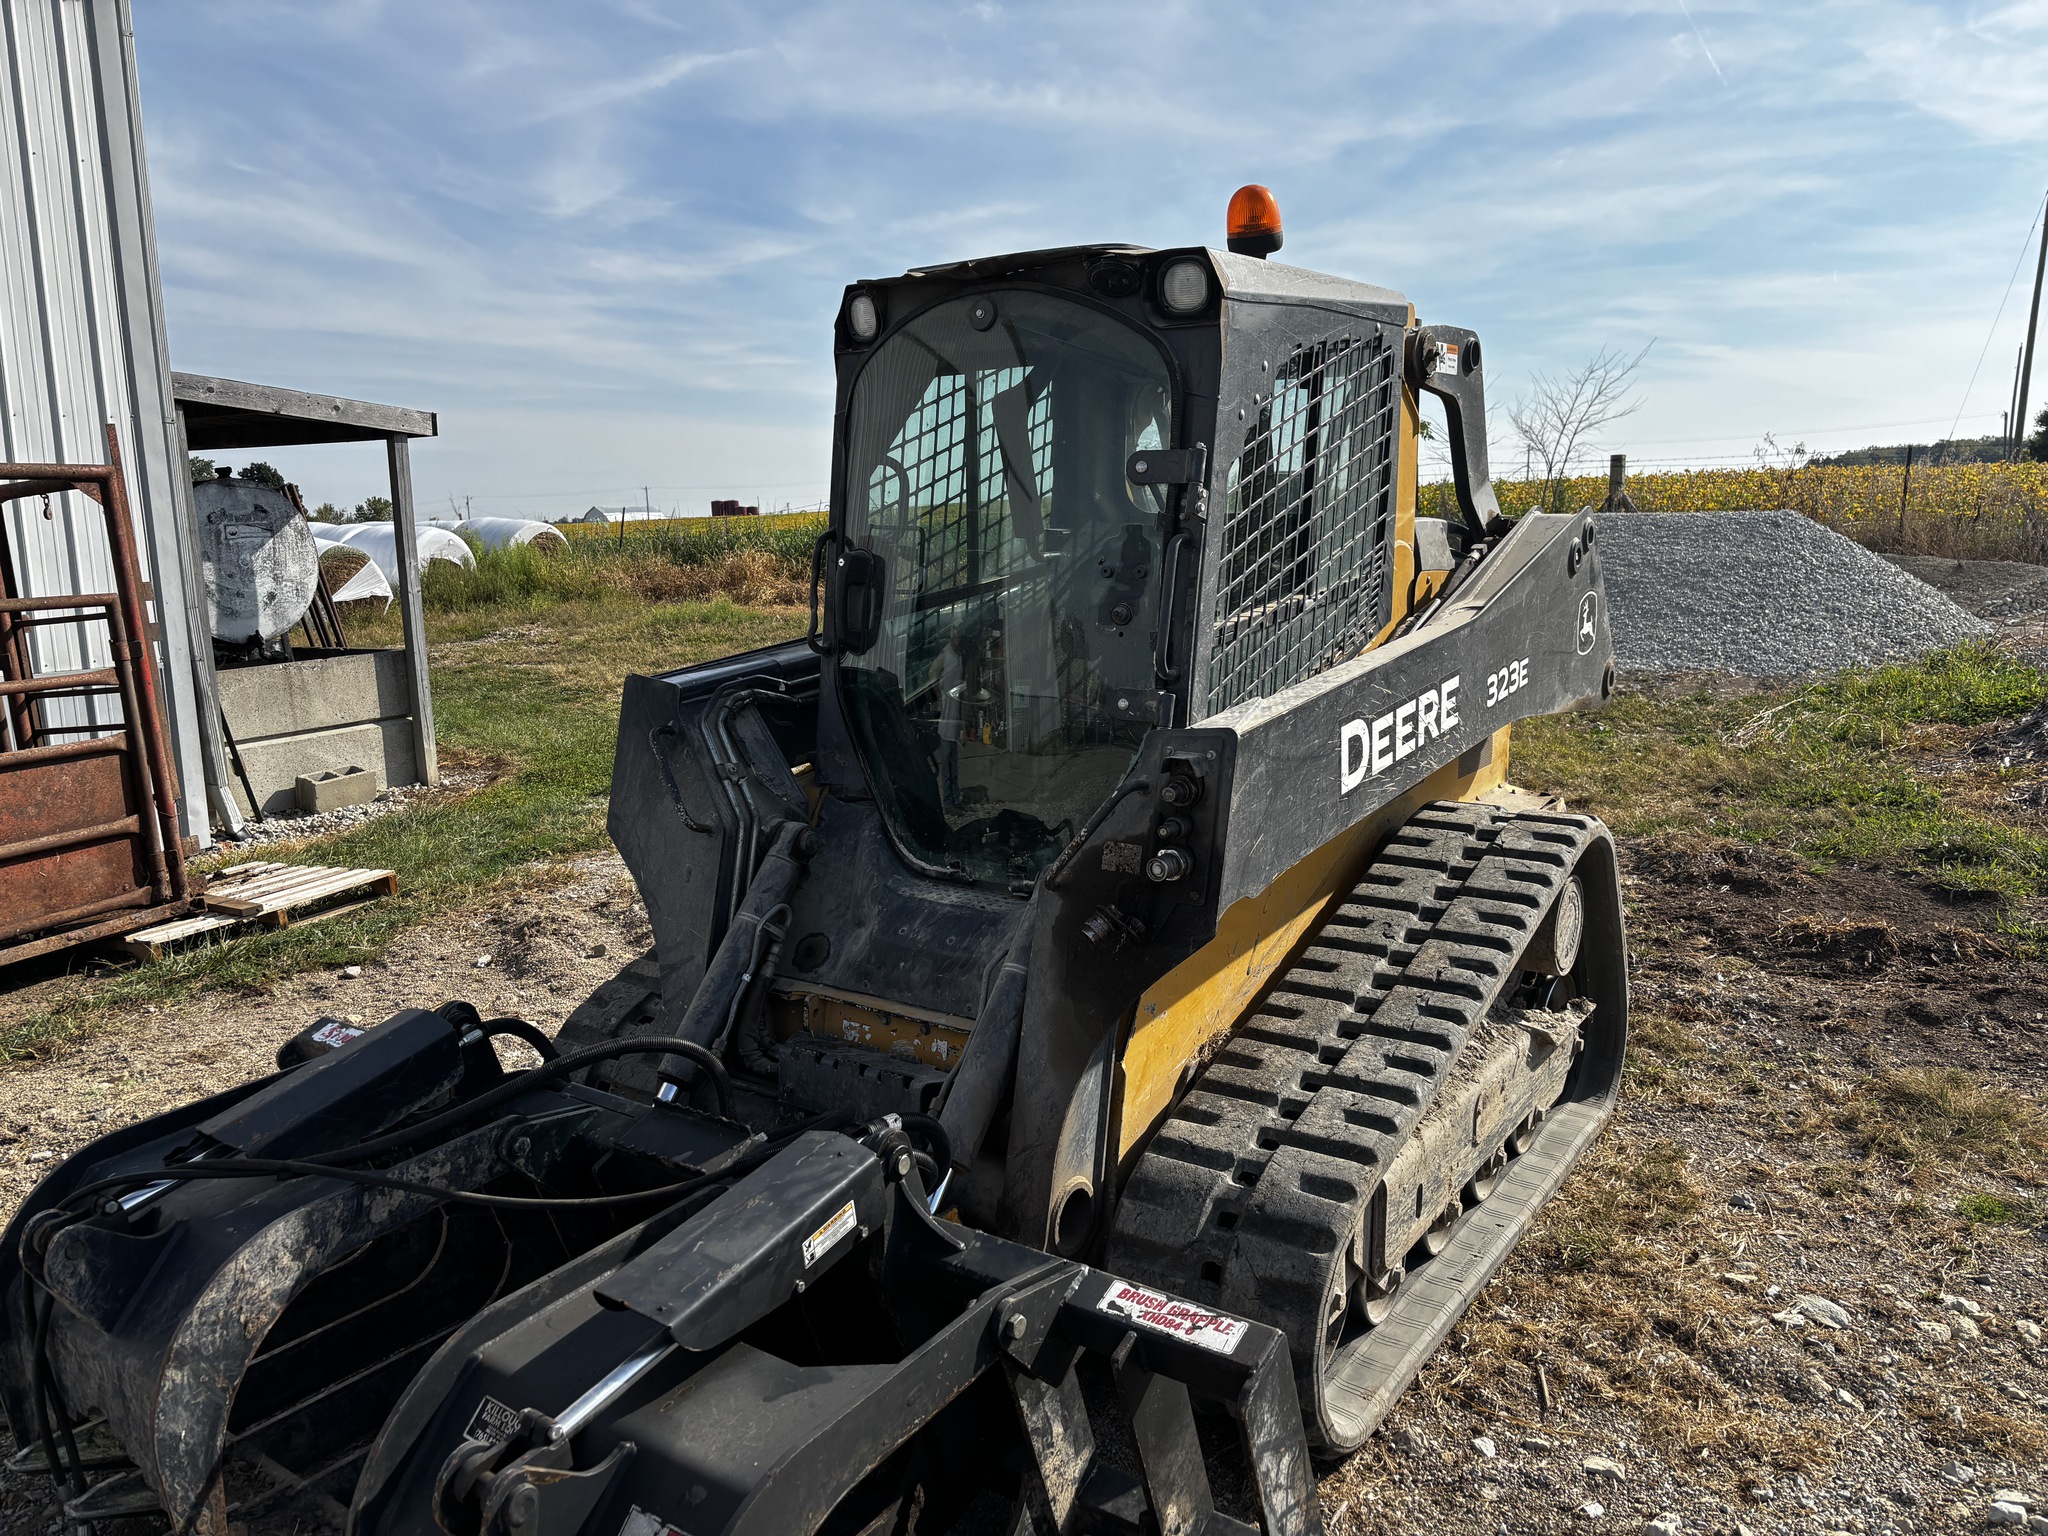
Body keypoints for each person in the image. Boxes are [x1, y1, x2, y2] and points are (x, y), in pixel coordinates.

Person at [931, 626, 965, 808]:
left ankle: (956, 798)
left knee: (954, 765)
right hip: (946, 719)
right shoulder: (946, 654)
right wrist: (940, 696)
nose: (958, 637)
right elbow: (932, 672)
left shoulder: (959, 656)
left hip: (955, 716)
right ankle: (948, 802)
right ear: (951, 636)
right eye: (955, 635)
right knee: (946, 765)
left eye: (959, 634)